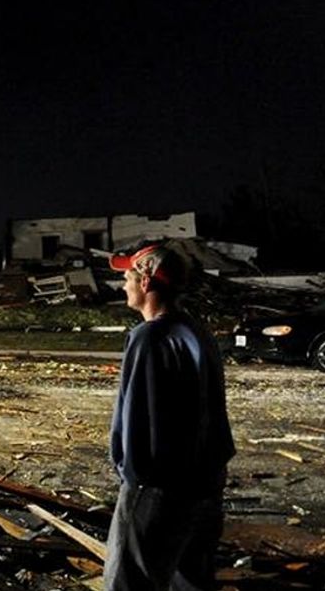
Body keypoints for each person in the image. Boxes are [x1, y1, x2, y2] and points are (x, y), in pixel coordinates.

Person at [104, 243, 235, 591]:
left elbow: (138, 418)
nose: (123, 285)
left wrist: (132, 476)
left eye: (128, 276)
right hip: (205, 480)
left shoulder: (150, 337)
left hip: (160, 486)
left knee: (130, 582)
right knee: (190, 580)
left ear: (145, 282)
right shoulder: (196, 331)